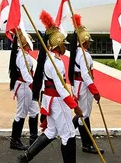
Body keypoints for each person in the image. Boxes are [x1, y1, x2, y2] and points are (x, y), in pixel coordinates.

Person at [18, 10, 82, 163]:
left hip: (50, 99)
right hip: (58, 101)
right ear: (57, 45)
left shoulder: (48, 59)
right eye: (63, 44)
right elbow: (60, 88)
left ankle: (26, 156)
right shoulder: (56, 62)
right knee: (69, 134)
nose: (65, 47)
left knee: (51, 131)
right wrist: (74, 106)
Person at [69, 14, 104, 154]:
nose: (90, 43)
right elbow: (86, 75)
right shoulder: (84, 55)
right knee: (84, 115)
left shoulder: (77, 53)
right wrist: (95, 91)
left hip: (78, 86)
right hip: (83, 87)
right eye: (89, 41)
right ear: (84, 41)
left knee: (82, 114)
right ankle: (86, 144)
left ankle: (72, 132)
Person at [9, 29, 39, 150]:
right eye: (30, 42)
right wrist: (34, 85)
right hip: (25, 86)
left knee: (35, 111)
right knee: (21, 113)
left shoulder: (24, 55)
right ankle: (14, 140)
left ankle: (34, 138)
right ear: (26, 43)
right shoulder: (22, 56)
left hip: (27, 86)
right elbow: (26, 74)